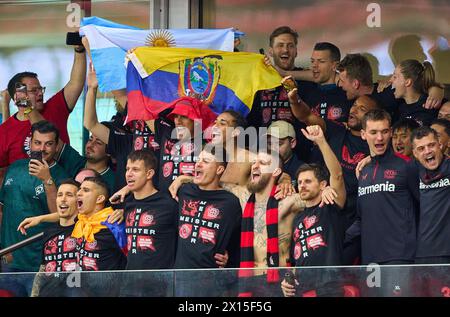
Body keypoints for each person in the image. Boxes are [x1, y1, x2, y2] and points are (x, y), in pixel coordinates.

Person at [287, 81, 378, 232]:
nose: (354, 110)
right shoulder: (336, 130)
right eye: (354, 105)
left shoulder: (375, 144)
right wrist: (294, 99)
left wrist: (372, 157)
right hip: (324, 209)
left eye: (362, 109)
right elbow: (306, 116)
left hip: (356, 219)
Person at [281, 125, 346, 297]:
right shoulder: (297, 218)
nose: (302, 185)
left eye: (308, 181)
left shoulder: (330, 204)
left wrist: (321, 142)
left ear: (323, 184)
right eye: (300, 182)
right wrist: (287, 282)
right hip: (303, 290)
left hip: (329, 288)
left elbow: (337, 175)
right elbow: (296, 261)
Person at [0, 42, 86, 168]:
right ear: (17, 97)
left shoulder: (54, 107)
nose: (40, 93)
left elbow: (75, 83)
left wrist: (79, 51)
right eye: (34, 90)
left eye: (41, 89)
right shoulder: (4, 131)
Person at [171, 146, 242, 296]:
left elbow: (238, 240)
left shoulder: (230, 202)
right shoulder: (184, 191)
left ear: (219, 170)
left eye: (205, 161)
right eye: (197, 160)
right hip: (181, 280)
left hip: (212, 282)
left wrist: (230, 260)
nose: (198, 164)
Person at [83, 65, 158, 192]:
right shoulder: (126, 142)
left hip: (153, 205)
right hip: (123, 206)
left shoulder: (167, 138)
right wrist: (91, 89)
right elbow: (91, 124)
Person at [246, 26, 316, 161]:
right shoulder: (259, 82)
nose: (285, 50)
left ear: (296, 51)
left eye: (290, 46)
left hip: (299, 157)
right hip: (263, 157)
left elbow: (324, 76)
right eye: (280, 45)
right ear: (271, 51)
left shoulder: (307, 81)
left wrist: (283, 74)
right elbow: (252, 120)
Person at [119, 150, 178, 296]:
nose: (129, 174)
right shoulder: (127, 204)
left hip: (160, 287)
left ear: (149, 174)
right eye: (127, 169)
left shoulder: (169, 204)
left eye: (136, 169)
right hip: (130, 285)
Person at [337, 53, 443, 123]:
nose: (339, 85)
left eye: (342, 81)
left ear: (355, 83)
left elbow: (418, 90)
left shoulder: (389, 94)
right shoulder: (343, 97)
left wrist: (436, 89)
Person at [17, 180, 80, 297]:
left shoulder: (86, 226)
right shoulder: (49, 231)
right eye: (60, 195)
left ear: (79, 201)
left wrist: (41, 218)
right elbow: (43, 269)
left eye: (69, 195)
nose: (63, 199)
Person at [71, 177, 127, 296]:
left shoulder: (114, 226)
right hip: (83, 291)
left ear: (100, 198)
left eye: (86, 190)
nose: (79, 192)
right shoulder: (80, 221)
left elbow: (129, 258)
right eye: (80, 189)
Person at [411, 126, 450, 264]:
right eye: (421, 148)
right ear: (415, 154)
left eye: (431, 145)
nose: (427, 151)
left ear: (440, 145)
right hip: (424, 253)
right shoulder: (411, 171)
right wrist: (370, 159)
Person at [209, 110, 255, 186]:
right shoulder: (209, 157)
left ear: (236, 132)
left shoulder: (252, 159)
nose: (214, 127)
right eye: (215, 123)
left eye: (222, 123)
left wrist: (282, 182)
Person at [390, 59, 441, 126]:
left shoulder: (431, 105)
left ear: (407, 82)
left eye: (395, 77)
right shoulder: (398, 106)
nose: (390, 80)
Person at [266, 120, 304, 186]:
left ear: (292, 143)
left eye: (279, 143)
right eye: (269, 143)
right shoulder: (260, 166)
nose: (273, 149)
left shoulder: (303, 170)